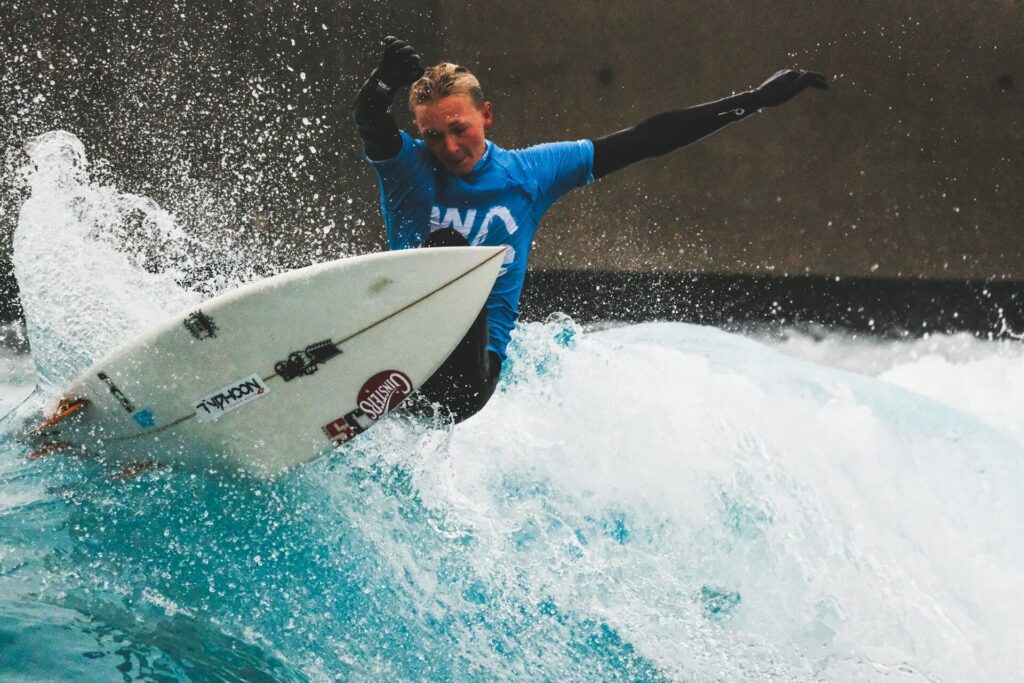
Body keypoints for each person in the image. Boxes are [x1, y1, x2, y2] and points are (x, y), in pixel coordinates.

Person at [353, 36, 827, 423]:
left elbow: (646, 140)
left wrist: (754, 101)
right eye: (433, 135)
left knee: (449, 248)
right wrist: (380, 86)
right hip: (401, 349)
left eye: (459, 128)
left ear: (487, 116)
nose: (450, 147)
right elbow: (372, 124)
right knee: (440, 250)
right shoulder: (408, 169)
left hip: (468, 382)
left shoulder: (530, 174)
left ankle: (388, 389)